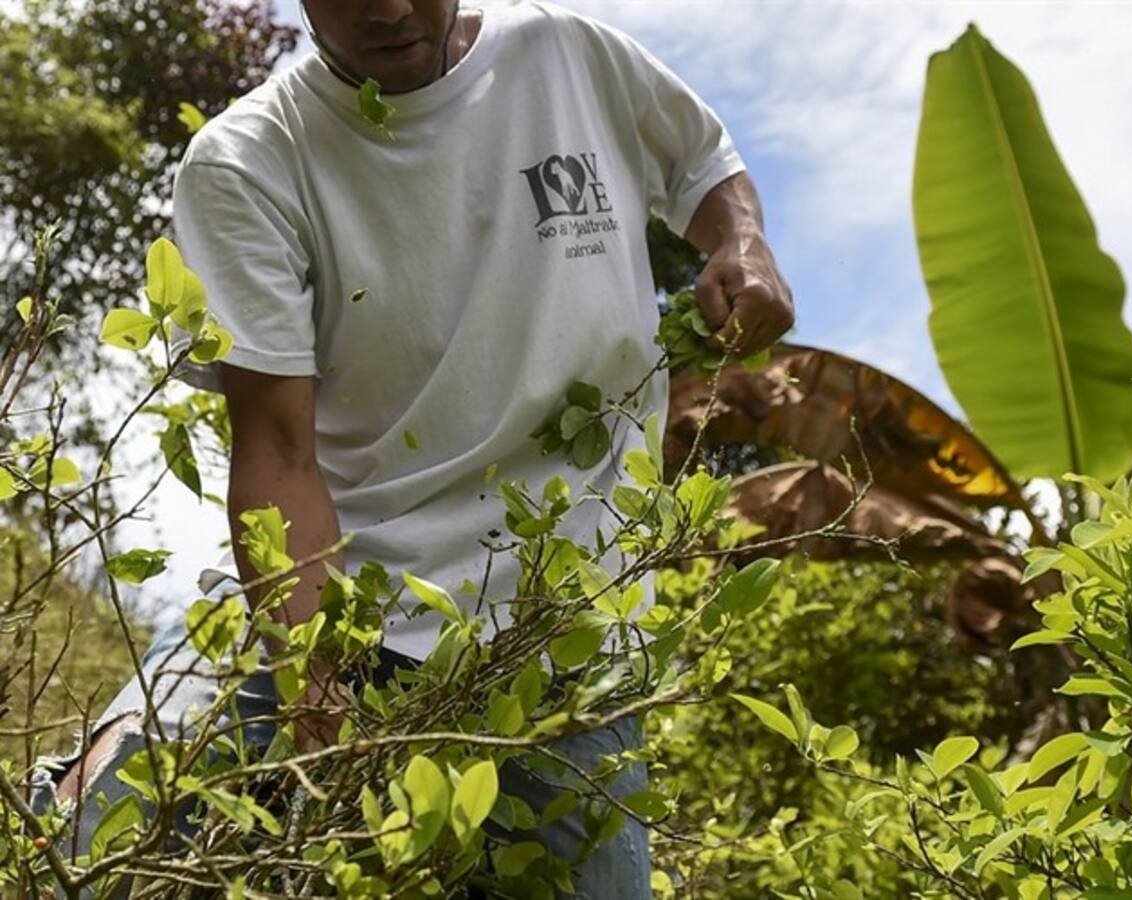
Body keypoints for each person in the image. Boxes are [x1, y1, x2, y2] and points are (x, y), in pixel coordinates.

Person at [29, 0, 794, 896]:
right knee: (92, 850)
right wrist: (319, 700)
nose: (384, 10)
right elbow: (278, 455)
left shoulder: (569, 56)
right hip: (340, 603)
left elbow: (705, 165)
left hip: (568, 642)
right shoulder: (248, 159)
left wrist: (743, 241)